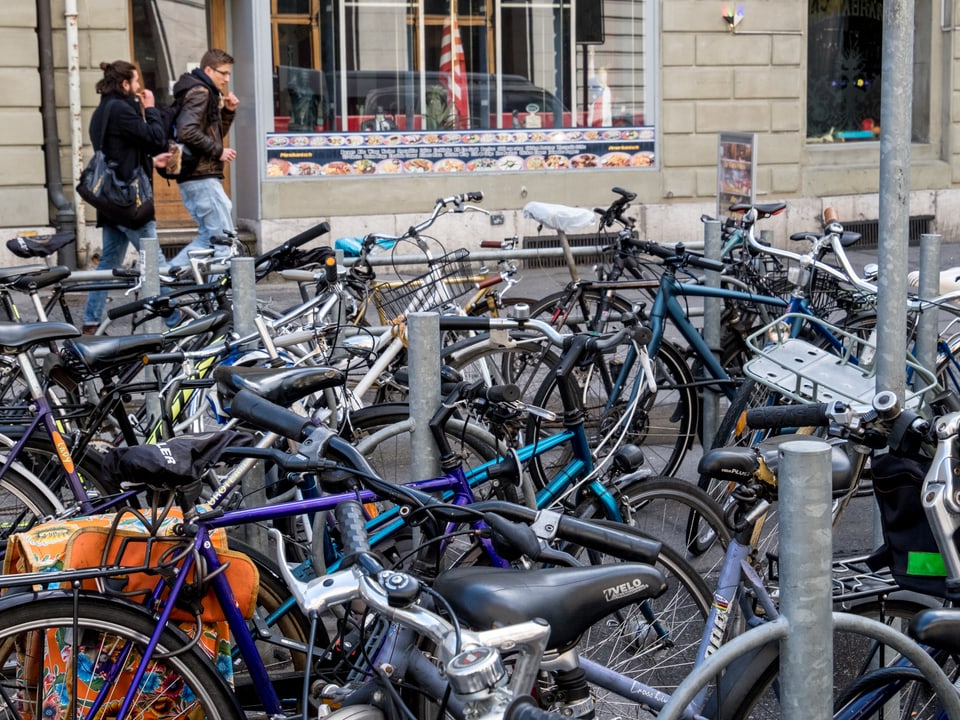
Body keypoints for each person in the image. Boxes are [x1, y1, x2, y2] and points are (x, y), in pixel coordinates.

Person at [82, 60, 171, 335]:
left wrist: (149, 162)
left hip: (110, 201)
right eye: (135, 82)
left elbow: (120, 151)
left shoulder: (101, 112)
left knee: (108, 262)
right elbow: (157, 138)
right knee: (155, 261)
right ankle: (176, 317)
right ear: (124, 84)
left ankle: (91, 321)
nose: (138, 87)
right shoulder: (122, 110)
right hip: (129, 204)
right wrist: (151, 108)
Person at [167, 48, 239, 270]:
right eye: (223, 73)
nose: (227, 79)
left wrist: (227, 112)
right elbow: (186, 131)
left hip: (195, 176)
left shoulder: (199, 90)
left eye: (229, 74)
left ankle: (162, 279)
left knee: (209, 238)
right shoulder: (201, 91)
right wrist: (218, 152)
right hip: (202, 177)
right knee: (224, 243)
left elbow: (210, 134)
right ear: (209, 69)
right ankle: (221, 302)